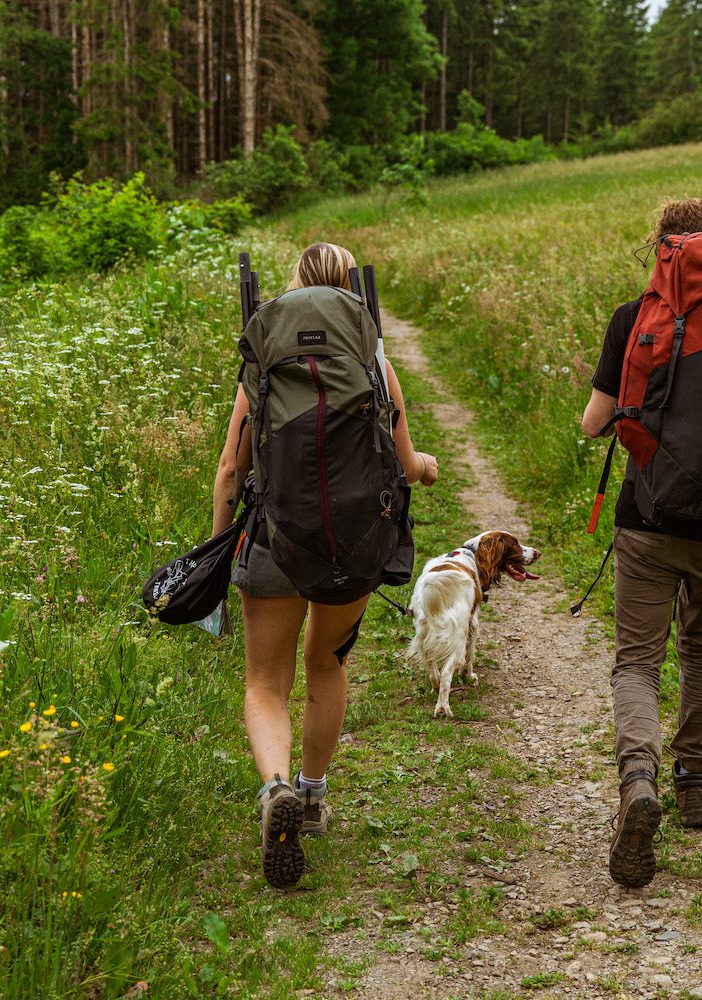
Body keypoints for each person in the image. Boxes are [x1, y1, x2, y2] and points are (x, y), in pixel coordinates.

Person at [211, 242, 440, 887]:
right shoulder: (373, 362)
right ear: (352, 292)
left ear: (295, 286)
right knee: (326, 663)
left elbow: (232, 467)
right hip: (352, 543)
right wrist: (428, 470)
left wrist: (221, 543)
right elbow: (405, 463)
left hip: (274, 538)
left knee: (265, 682)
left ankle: (274, 788)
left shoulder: (266, 365)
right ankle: (311, 797)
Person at [579, 199, 702, 888]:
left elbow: (594, 424)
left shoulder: (634, 317)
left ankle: (638, 784)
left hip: (645, 517)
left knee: (637, 663)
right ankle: (696, 785)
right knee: (701, 647)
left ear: (665, 249)